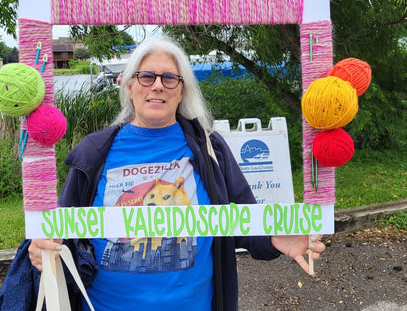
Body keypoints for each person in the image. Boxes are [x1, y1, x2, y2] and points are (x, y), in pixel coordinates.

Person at [27, 36, 325, 311]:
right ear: (129, 86)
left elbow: (243, 220)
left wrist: (275, 237)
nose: (158, 85)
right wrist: (42, 248)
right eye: (147, 76)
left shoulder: (211, 148)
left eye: (169, 78)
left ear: (181, 90)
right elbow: (60, 232)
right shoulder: (94, 152)